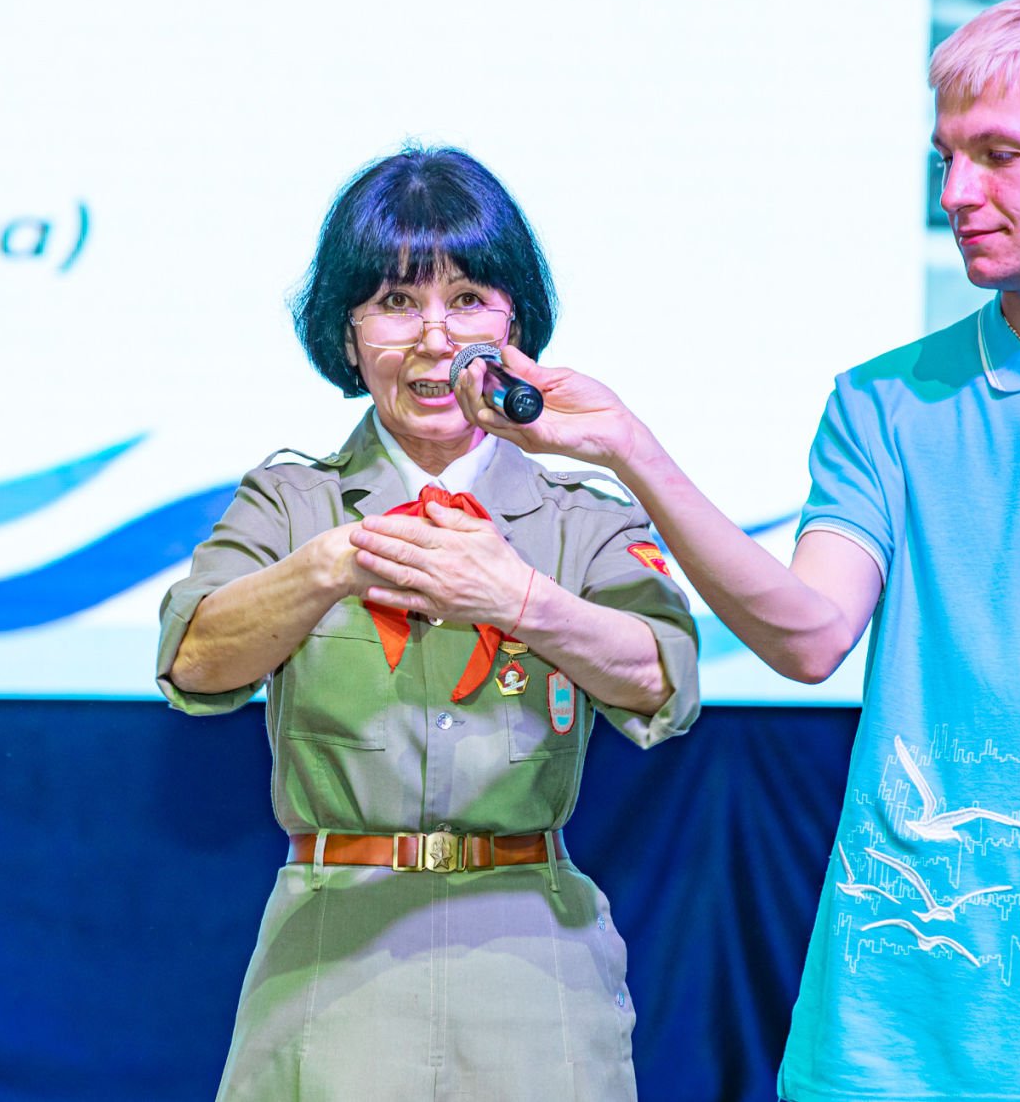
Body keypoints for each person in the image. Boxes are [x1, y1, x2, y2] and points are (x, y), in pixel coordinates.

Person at [454, 0, 1020, 1100]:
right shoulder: (883, 404)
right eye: (945, 157)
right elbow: (809, 637)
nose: (955, 193)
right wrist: (628, 447)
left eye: (997, 154)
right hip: (891, 1045)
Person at [156, 146, 701, 1101]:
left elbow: (665, 678)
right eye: (396, 303)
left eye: (468, 299)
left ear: (513, 324)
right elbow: (194, 658)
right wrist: (333, 562)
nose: (435, 339)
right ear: (348, 334)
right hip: (333, 955)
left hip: (535, 958)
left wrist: (522, 600)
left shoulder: (582, 517)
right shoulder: (291, 501)